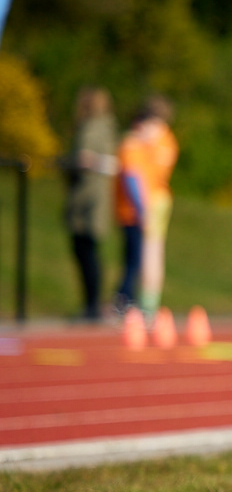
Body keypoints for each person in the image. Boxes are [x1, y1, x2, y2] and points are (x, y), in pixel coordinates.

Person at [113, 97, 178, 318]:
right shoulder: (169, 140)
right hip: (159, 198)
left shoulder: (154, 138)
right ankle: (149, 302)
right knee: (152, 251)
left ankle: (147, 304)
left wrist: (141, 208)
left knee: (149, 252)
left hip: (152, 199)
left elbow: (133, 173)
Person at [62, 88, 118, 321]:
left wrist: (78, 163)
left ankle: (93, 305)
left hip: (90, 197)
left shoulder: (96, 128)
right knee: (85, 251)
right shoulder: (103, 127)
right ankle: (91, 304)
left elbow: (108, 162)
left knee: (87, 250)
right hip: (89, 196)